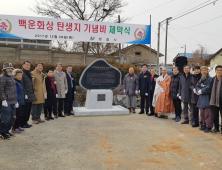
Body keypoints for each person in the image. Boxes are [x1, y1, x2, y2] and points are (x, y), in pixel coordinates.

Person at [0, 63, 18, 139]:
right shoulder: (2, 78)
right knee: (5, 119)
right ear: (4, 69)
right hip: (6, 102)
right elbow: (1, 90)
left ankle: (7, 131)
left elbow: (13, 91)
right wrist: (3, 100)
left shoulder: (11, 77)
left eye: (11, 68)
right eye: (8, 68)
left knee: (12, 118)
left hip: (13, 102)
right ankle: (2, 133)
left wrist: (16, 101)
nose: (10, 69)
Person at [195, 66, 213, 133]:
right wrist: (197, 90)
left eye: (205, 70)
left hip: (207, 98)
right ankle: (204, 125)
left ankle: (209, 126)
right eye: (202, 70)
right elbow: (196, 86)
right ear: (201, 71)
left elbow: (208, 87)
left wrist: (201, 91)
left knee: (208, 114)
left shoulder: (210, 79)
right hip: (201, 99)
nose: (204, 72)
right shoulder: (200, 79)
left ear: (207, 71)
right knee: (202, 114)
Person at [20, 61, 37, 128]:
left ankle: (25, 122)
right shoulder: (21, 73)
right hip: (25, 95)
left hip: (30, 94)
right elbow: (22, 85)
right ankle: (22, 123)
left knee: (28, 110)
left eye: (29, 65)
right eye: (26, 65)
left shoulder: (29, 73)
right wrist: (24, 94)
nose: (28, 66)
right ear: (23, 65)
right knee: (24, 110)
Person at [12, 69, 26, 134]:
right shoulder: (15, 82)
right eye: (18, 75)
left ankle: (18, 126)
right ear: (14, 75)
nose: (20, 76)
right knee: (18, 115)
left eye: (21, 75)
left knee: (21, 115)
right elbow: (15, 92)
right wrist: (16, 101)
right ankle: (14, 128)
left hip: (21, 101)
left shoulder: (20, 82)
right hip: (18, 101)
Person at [210, 65, 222, 134]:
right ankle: (216, 128)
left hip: (221, 100)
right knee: (215, 115)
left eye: (220, 70)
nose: (219, 71)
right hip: (214, 100)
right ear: (215, 71)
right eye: (218, 70)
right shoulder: (213, 79)